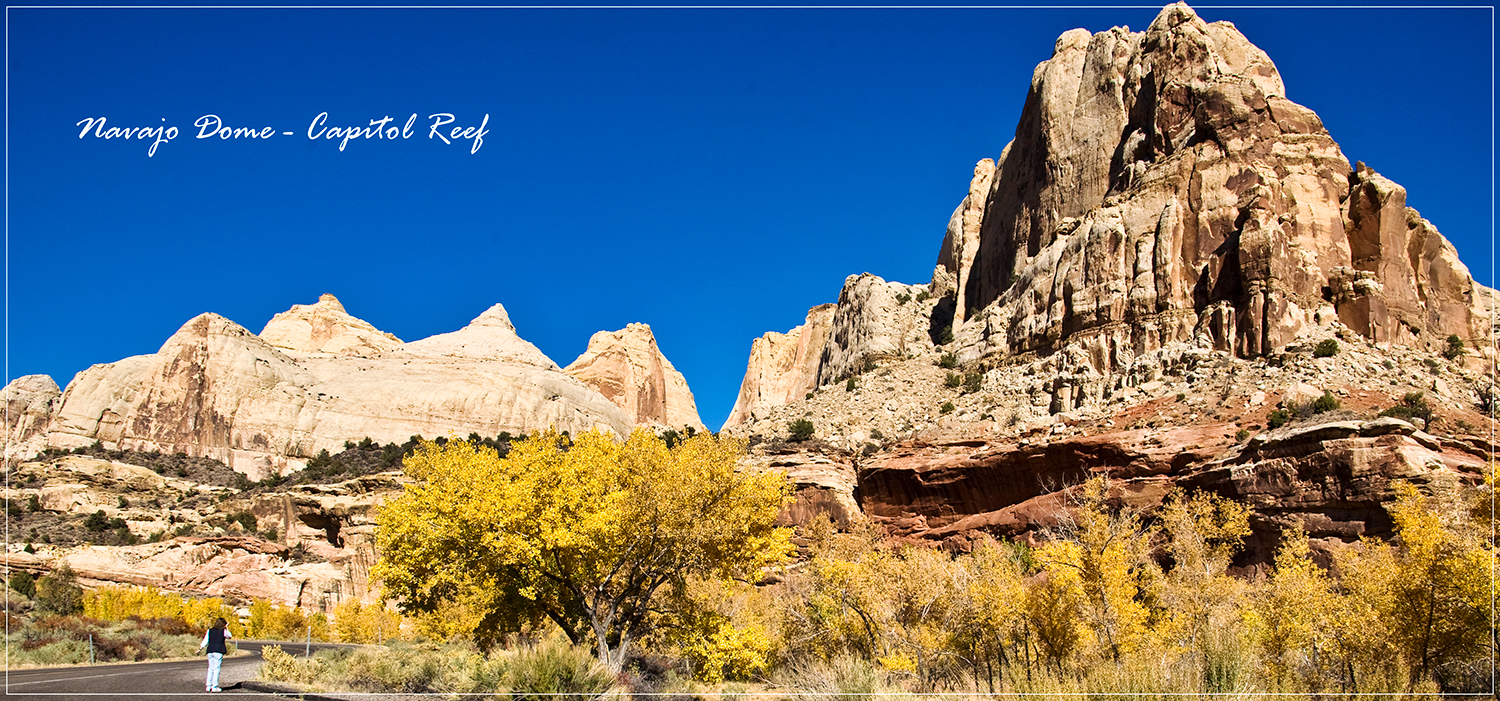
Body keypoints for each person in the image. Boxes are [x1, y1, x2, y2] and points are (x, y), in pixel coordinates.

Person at [196, 617, 234, 692]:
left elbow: (205, 641)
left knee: (210, 668)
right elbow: (229, 636)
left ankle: (208, 686)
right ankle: (214, 686)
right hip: (218, 650)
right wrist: (226, 628)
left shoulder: (210, 631)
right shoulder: (223, 631)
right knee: (216, 669)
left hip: (210, 650)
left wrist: (200, 648)